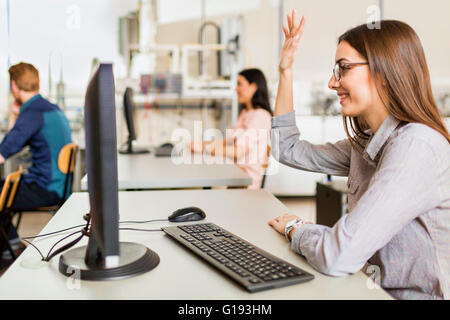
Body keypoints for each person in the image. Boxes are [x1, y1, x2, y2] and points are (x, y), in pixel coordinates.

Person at [268, 10, 449, 300]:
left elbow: (338, 255)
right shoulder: (368, 144)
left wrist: (296, 229)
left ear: (385, 72)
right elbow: (286, 149)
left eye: (344, 68)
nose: (332, 82)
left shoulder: (416, 147)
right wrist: (285, 72)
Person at [0, 62, 72, 263]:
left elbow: (3, 152)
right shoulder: (51, 108)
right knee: (4, 189)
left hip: (45, 188)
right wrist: (16, 115)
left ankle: (11, 248)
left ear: (14, 86)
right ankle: (11, 245)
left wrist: (16, 116)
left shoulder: (32, 113)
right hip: (58, 186)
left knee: (2, 193)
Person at [190, 68, 272, 189]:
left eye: (240, 84)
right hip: (234, 177)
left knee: (199, 187)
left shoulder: (260, 116)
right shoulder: (246, 113)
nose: (236, 88)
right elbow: (227, 142)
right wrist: (200, 144)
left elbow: (238, 152)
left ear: (253, 87)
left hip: (246, 183)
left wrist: (206, 148)